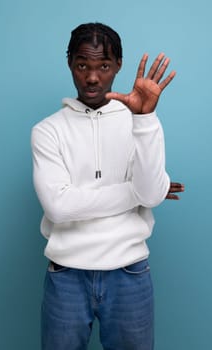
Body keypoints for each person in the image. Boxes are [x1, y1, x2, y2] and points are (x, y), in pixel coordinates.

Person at [31, 22, 184, 350]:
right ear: (70, 62)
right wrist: (134, 193)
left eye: (103, 66)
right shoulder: (47, 131)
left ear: (118, 66)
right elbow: (58, 207)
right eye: (83, 64)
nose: (92, 77)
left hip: (129, 274)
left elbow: (152, 194)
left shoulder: (138, 122)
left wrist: (145, 120)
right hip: (67, 276)